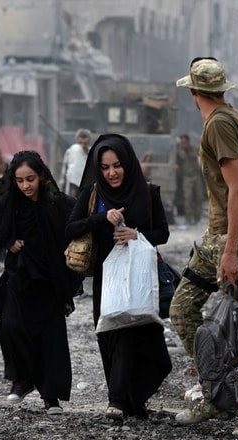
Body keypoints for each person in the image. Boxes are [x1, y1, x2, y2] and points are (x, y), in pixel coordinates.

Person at [169, 57, 238, 439]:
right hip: (218, 236)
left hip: (235, 240)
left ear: (194, 93)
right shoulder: (235, 118)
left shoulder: (219, 125)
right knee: (182, 309)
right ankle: (217, 393)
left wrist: (230, 251)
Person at [65, 133, 172, 421]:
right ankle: (117, 400)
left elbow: (162, 232)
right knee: (114, 333)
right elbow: (71, 229)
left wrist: (137, 234)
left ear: (128, 163)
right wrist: (103, 217)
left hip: (139, 276)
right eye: (105, 167)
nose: (112, 173)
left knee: (146, 340)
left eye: (117, 165)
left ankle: (133, 400)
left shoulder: (147, 192)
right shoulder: (93, 194)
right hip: (106, 277)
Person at [0, 150, 82, 415]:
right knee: (12, 327)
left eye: (30, 179)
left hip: (50, 279)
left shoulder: (56, 203)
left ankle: (51, 397)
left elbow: (76, 226)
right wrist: (8, 241)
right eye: (20, 180)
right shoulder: (9, 203)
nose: (26, 186)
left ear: (41, 177)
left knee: (50, 339)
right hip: (19, 277)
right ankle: (23, 379)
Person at [175, 134, 205, 225]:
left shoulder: (194, 149)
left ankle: (197, 218)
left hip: (196, 175)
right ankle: (188, 219)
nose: (183, 144)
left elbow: (200, 158)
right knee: (188, 198)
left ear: (188, 142)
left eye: (184, 142)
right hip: (186, 177)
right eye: (182, 143)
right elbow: (176, 163)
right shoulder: (179, 151)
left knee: (198, 197)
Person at [61, 129, 92, 197]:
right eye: (81, 141)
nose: (82, 144)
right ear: (77, 139)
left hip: (87, 184)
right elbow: (65, 169)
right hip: (73, 182)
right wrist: (63, 186)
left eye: (85, 141)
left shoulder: (91, 152)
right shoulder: (71, 150)